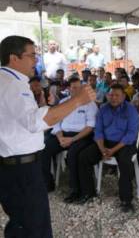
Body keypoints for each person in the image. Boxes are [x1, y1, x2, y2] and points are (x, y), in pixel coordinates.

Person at [0, 35, 96, 238]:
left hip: (11, 165)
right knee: (34, 226)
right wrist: (78, 100)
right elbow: (35, 123)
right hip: (21, 169)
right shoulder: (12, 84)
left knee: (20, 224)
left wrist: (47, 108)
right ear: (14, 58)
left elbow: (21, 122)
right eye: (32, 55)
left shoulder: (6, 81)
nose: (36, 60)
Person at [77, 84, 139, 211]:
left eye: (117, 95)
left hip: (124, 144)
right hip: (105, 143)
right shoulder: (103, 109)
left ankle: (126, 200)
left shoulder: (131, 110)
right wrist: (102, 149)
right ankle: (88, 192)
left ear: (123, 97)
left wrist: (113, 150)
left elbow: (131, 134)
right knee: (83, 157)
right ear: (107, 95)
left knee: (125, 163)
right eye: (111, 95)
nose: (114, 98)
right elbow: (98, 131)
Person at [41, 76, 97, 197]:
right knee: (43, 148)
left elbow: (90, 127)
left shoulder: (90, 104)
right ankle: (47, 183)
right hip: (63, 134)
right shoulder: (63, 102)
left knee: (73, 154)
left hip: (82, 136)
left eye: (78, 88)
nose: (75, 91)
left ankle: (75, 189)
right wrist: (61, 138)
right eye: (73, 88)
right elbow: (56, 123)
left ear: (82, 89)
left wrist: (72, 139)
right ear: (69, 89)